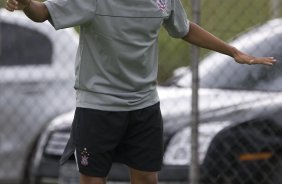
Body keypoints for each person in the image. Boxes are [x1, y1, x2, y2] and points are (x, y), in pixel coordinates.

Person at [6, 0, 277, 184]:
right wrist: (28, 4)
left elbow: (183, 28)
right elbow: (44, 12)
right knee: (92, 179)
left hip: (144, 106)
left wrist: (232, 51)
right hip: (98, 106)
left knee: (147, 179)